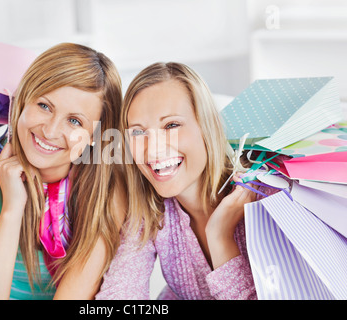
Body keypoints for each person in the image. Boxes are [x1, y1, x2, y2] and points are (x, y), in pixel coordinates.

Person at [0, 43, 126, 300]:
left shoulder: (107, 189)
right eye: (44, 105)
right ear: (23, 101)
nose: (51, 131)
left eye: (74, 121)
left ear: (94, 135)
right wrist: (11, 210)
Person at [96, 62, 258, 300]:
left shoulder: (263, 198)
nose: (153, 150)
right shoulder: (149, 210)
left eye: (171, 125)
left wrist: (220, 236)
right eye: (138, 132)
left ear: (207, 127)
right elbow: (119, 295)